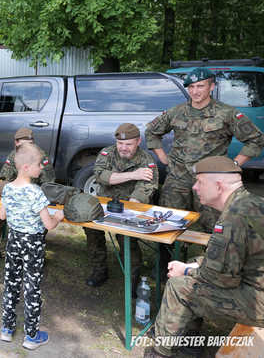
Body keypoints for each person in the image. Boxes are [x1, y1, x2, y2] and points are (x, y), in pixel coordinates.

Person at [144, 156, 264, 358]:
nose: (194, 188)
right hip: (256, 283)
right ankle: (189, 340)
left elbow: (222, 279)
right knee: (194, 265)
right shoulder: (252, 202)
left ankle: (160, 352)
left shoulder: (233, 218)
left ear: (218, 186)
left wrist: (187, 270)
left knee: (178, 287)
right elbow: (233, 261)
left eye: (200, 182)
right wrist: (192, 266)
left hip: (258, 300)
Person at [145, 67, 264, 233]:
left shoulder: (226, 113)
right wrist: (163, 158)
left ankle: (208, 258)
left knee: (213, 228)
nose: (195, 91)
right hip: (177, 179)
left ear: (212, 87)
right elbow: (151, 131)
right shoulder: (176, 112)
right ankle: (169, 258)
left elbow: (256, 139)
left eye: (200, 86)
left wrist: (234, 165)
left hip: (210, 181)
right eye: (191, 87)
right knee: (167, 224)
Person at [0, 143, 65, 350]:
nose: (42, 168)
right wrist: (58, 217)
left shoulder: (7, 188)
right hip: (32, 243)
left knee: (11, 282)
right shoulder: (36, 192)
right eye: (38, 164)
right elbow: (48, 225)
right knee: (32, 287)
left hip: (13, 239)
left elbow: (2, 215)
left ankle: (7, 329)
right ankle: (32, 335)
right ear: (26, 167)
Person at [84, 123, 159, 288]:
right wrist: (133, 174)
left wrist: (129, 212)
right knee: (91, 229)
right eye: (120, 143)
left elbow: (145, 188)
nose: (123, 148)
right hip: (104, 203)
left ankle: (132, 279)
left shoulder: (146, 160)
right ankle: (99, 270)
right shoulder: (107, 153)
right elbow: (101, 176)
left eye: (128, 144)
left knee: (127, 239)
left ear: (138, 141)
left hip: (131, 206)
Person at [0, 127, 56, 263]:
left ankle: (35, 251)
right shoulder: (14, 154)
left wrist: (30, 195)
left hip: (33, 198)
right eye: (22, 144)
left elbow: (49, 184)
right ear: (16, 143)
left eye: (29, 143)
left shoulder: (41, 156)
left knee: (39, 219)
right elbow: (5, 176)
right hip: (16, 194)